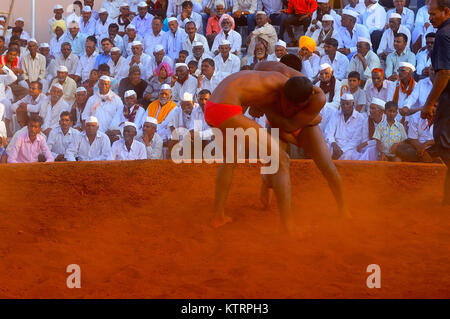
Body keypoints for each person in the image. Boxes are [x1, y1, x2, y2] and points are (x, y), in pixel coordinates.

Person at [206, 60, 350, 232]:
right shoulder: (278, 83)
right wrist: (255, 105)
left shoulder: (315, 96)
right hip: (231, 110)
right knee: (281, 160)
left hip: (214, 107)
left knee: (231, 160)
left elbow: (296, 122)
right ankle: (287, 227)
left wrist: (309, 120)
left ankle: (218, 216)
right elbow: (285, 122)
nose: (289, 106)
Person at [421, 0, 450, 205]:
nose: (430, 18)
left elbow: (445, 73)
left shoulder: (442, 35)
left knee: (444, 143)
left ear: (446, 11)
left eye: (433, 14)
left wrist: (429, 103)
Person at [325, 93, 365, 160]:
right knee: (325, 148)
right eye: (343, 104)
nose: (345, 106)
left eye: (347, 104)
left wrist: (341, 151)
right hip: (335, 144)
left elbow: (356, 140)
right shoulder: (335, 114)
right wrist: (333, 144)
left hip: (349, 148)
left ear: (353, 104)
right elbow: (329, 132)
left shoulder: (360, 118)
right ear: (340, 104)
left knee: (348, 155)